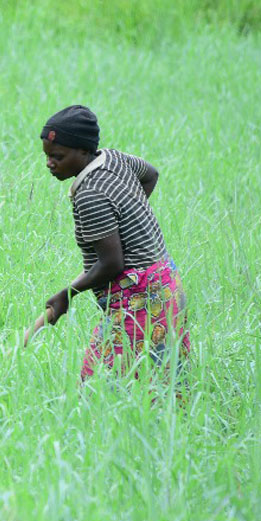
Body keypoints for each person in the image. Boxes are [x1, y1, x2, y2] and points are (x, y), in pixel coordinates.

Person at [33, 105, 190, 383]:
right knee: (161, 382)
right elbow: (151, 174)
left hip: (139, 298)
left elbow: (111, 263)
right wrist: (130, 217)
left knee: (100, 386)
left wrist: (66, 295)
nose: (49, 163)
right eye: (47, 156)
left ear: (83, 152)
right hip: (166, 282)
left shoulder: (90, 194)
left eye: (57, 156)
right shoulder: (114, 159)